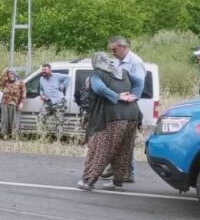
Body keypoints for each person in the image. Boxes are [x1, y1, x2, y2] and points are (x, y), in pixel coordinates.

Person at [77, 52, 143, 191]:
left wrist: (117, 96)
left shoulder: (96, 74)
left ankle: (89, 181)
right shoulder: (124, 72)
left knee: (101, 148)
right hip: (132, 115)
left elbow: (99, 88)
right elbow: (140, 81)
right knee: (123, 149)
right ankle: (118, 182)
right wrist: (135, 95)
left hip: (112, 117)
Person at [107, 36, 146, 182]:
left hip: (127, 105)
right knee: (119, 140)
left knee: (125, 141)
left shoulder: (135, 62)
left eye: (114, 49)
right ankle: (119, 170)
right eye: (111, 50)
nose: (112, 53)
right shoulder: (117, 61)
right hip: (120, 103)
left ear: (124, 47)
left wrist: (132, 98)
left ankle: (128, 173)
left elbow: (140, 82)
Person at [37, 63, 70, 139]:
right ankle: (43, 137)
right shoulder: (41, 79)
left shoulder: (57, 76)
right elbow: (41, 89)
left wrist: (63, 86)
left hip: (59, 101)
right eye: (42, 70)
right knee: (40, 118)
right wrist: (41, 94)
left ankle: (58, 140)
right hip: (48, 101)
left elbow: (69, 78)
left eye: (45, 70)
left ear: (50, 70)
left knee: (59, 121)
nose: (43, 71)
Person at [0, 68, 25, 139]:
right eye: (9, 74)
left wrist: (21, 103)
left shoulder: (20, 82)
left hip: (15, 104)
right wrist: (3, 73)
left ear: (15, 74)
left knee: (15, 121)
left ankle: (14, 136)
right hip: (5, 103)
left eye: (12, 74)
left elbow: (24, 93)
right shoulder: (6, 82)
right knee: (5, 120)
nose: (11, 75)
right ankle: (5, 135)